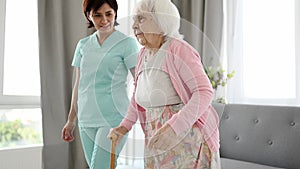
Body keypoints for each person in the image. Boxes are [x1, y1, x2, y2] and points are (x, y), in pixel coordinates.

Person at [108, 0, 221, 168]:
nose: (134, 25)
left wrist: (174, 128)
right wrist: (123, 127)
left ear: (160, 21)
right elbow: (138, 97)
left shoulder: (178, 49)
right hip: (156, 138)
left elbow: (204, 92)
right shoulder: (143, 55)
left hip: (186, 138)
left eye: (141, 19)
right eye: (134, 20)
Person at [61, 0, 139, 168]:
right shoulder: (83, 45)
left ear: (115, 14)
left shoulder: (127, 44)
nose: (104, 20)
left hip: (113, 119)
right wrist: (71, 120)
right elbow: (79, 85)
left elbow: (140, 82)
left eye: (108, 14)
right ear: (89, 15)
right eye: (97, 15)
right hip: (86, 119)